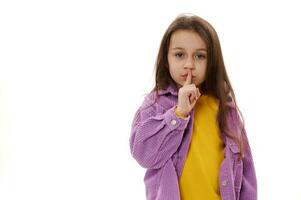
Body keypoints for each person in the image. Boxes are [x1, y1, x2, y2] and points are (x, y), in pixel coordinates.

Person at [129, 13, 257, 200]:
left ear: (211, 61)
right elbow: (143, 154)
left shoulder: (226, 110)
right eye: (179, 55)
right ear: (166, 59)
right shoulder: (155, 104)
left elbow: (247, 175)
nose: (189, 65)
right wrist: (178, 114)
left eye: (200, 56)